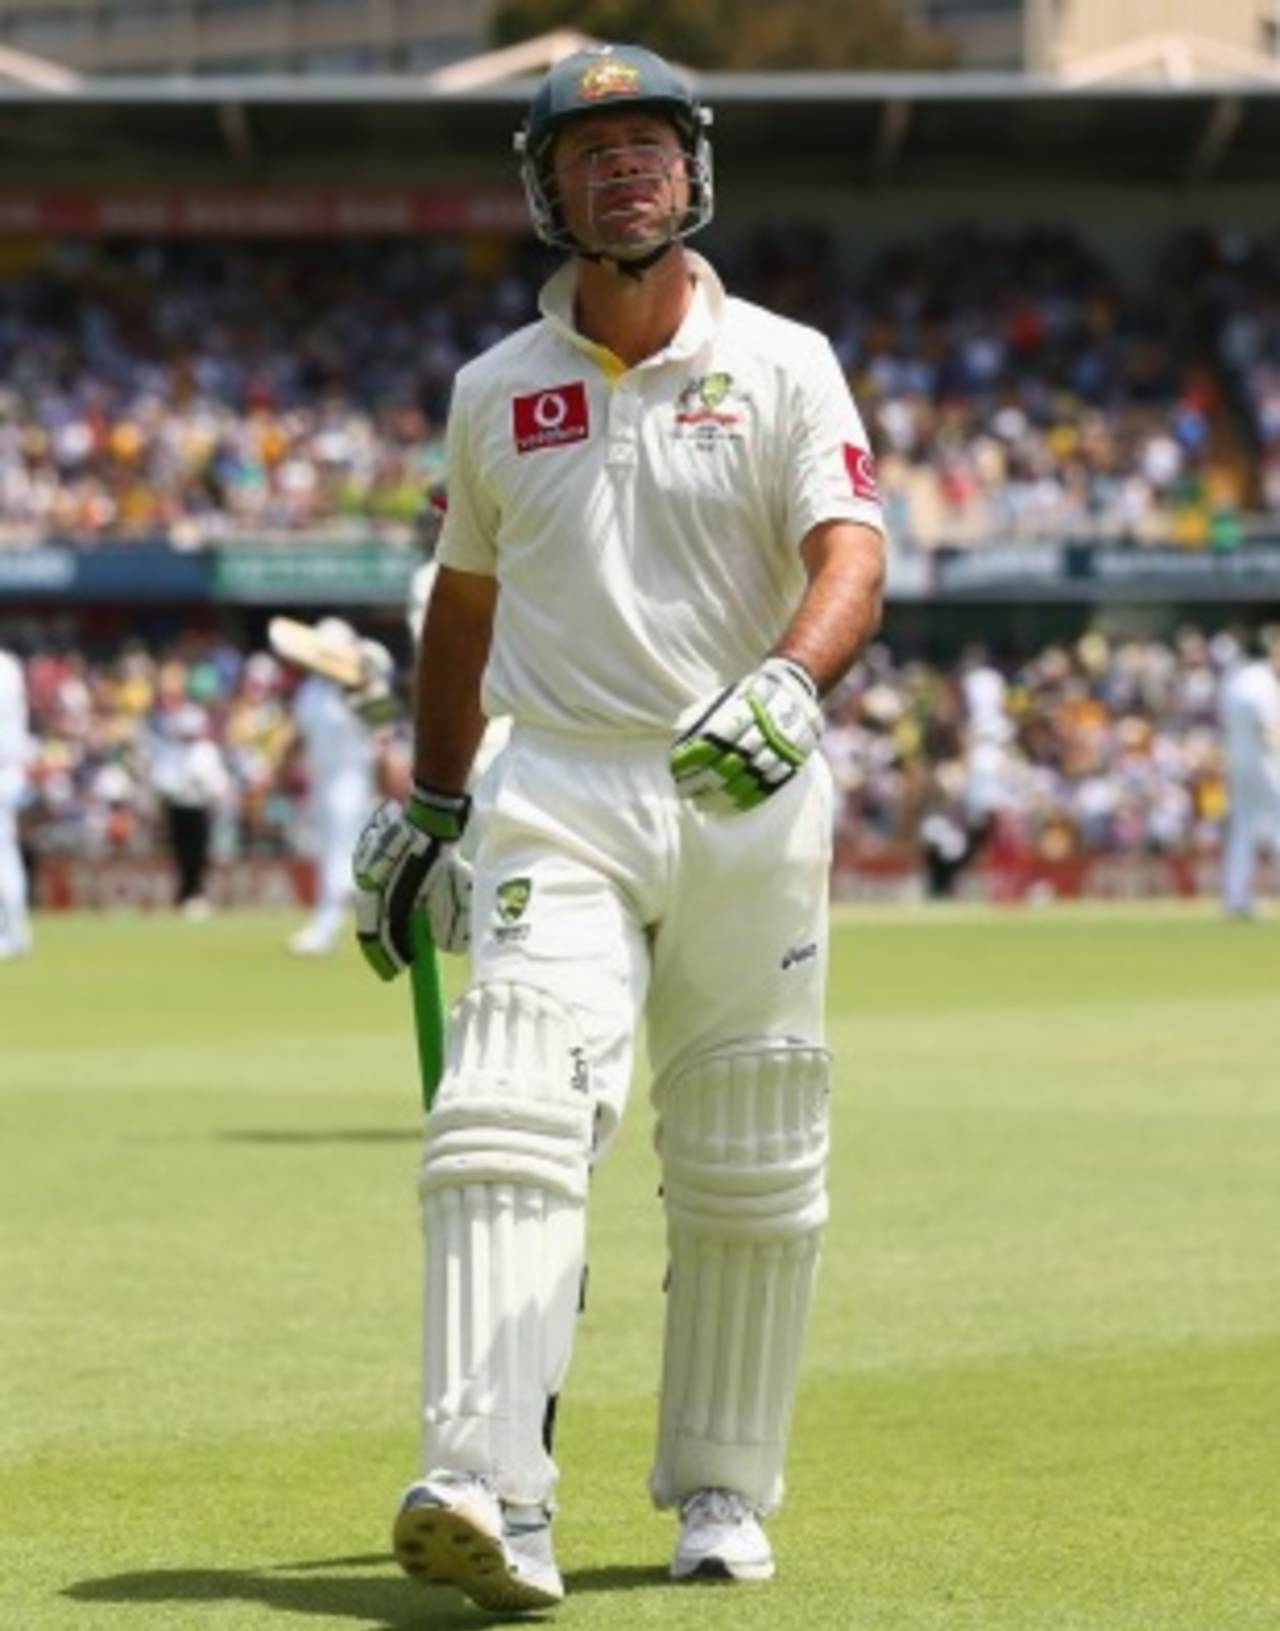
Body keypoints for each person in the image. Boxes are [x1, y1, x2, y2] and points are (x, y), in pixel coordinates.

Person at [352, 43, 886, 1612]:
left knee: (746, 1154)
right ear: (547, 190)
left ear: (694, 172)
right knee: (508, 1107)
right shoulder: (494, 393)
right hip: (561, 785)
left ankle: (721, 1486)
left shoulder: (787, 360)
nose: (625, 169)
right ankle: (484, 1481)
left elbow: (849, 547)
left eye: (650, 143)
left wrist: (792, 681)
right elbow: (461, 614)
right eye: (592, 153)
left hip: (745, 784)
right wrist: (434, 803)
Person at [285, 618, 393, 956]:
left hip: (353, 781)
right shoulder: (311, 689)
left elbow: (385, 737)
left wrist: (388, 786)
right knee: (331, 853)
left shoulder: (365, 687)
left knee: (339, 855)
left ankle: (325, 927)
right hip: (321, 781)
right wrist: (278, 771)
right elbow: (299, 735)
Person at [146, 702, 232, 921]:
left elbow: (218, 783)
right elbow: (161, 780)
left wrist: (206, 787)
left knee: (199, 854)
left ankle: (195, 894)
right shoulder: (169, 751)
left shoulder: (207, 751)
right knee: (181, 854)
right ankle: (183, 895)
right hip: (177, 808)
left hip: (199, 808)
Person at [1218, 626, 1280, 918]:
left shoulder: (1238, 679)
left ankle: (1237, 897)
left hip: (1238, 761)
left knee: (1243, 829)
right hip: (1263, 763)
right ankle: (1238, 897)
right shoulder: (1262, 681)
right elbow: (1269, 728)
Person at [0, 643, 34, 958]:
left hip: (3, 767)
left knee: (3, 855)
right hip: (11, 769)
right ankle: (13, 931)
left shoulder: (4, 669)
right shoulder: (10, 665)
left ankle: (12, 933)